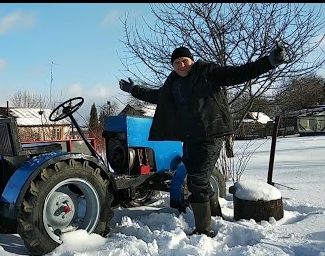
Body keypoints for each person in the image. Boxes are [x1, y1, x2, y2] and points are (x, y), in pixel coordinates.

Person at [119, 44, 289, 237]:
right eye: (177, 63)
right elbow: (157, 96)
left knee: (197, 180)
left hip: (212, 135)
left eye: (185, 61)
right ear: (173, 66)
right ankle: (214, 216)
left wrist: (269, 62)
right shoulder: (173, 83)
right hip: (190, 137)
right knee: (198, 178)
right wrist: (134, 89)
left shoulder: (208, 72)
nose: (181, 65)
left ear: (191, 61)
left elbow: (239, 73)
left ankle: (203, 230)